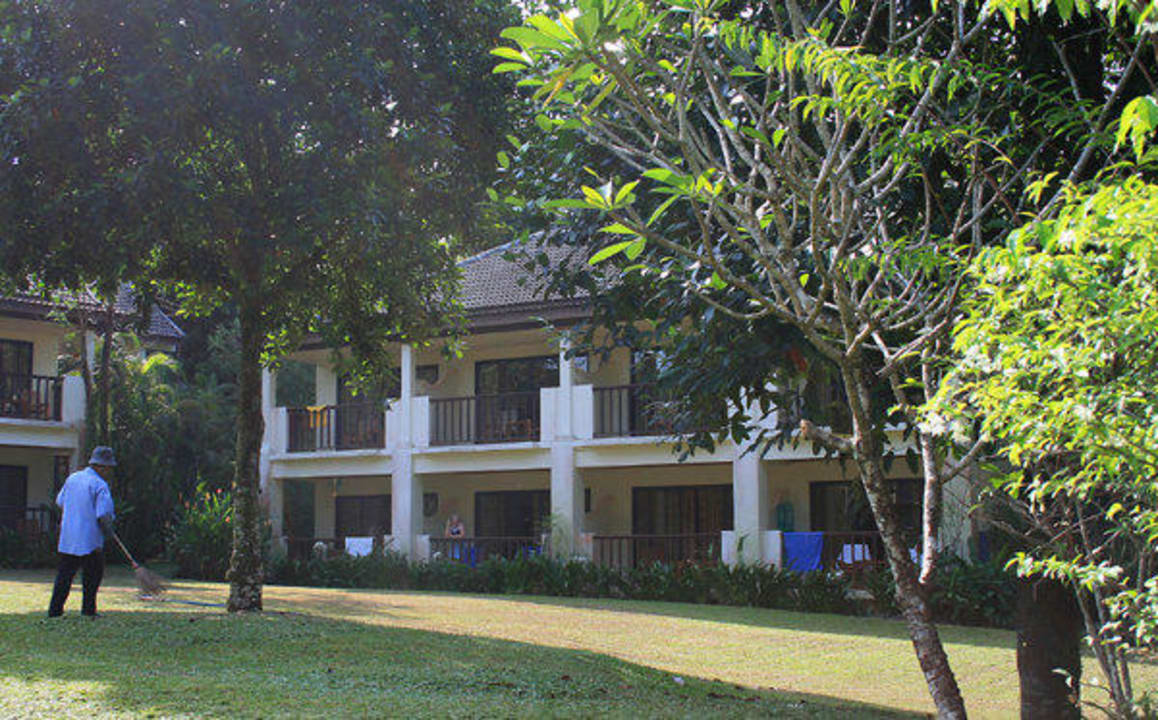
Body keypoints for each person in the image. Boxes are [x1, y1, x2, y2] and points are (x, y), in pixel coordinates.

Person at [47, 446, 117, 618]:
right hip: (90, 539)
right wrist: (109, 531)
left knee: (64, 575)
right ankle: (88, 610)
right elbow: (103, 514)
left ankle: (54, 611)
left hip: (69, 537)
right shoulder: (100, 485)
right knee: (93, 576)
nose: (109, 471)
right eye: (109, 467)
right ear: (101, 466)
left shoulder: (73, 478)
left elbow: (60, 501)